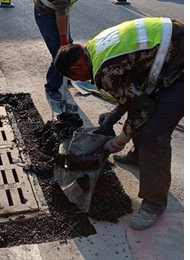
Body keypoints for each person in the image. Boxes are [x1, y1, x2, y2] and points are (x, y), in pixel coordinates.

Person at [54, 17, 184, 230]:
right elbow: (132, 83)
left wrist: (119, 141)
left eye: (78, 78)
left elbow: (142, 108)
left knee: (154, 133)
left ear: (76, 69)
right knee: (143, 118)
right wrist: (115, 114)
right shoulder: (94, 47)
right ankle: (139, 157)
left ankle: (154, 204)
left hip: (182, 67)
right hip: (175, 48)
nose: (85, 82)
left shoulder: (104, 71)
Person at [33, 0, 77, 101]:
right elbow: (60, 12)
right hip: (47, 13)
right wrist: (63, 38)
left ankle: (62, 76)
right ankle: (51, 87)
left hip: (60, 9)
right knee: (60, 53)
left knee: (68, 47)